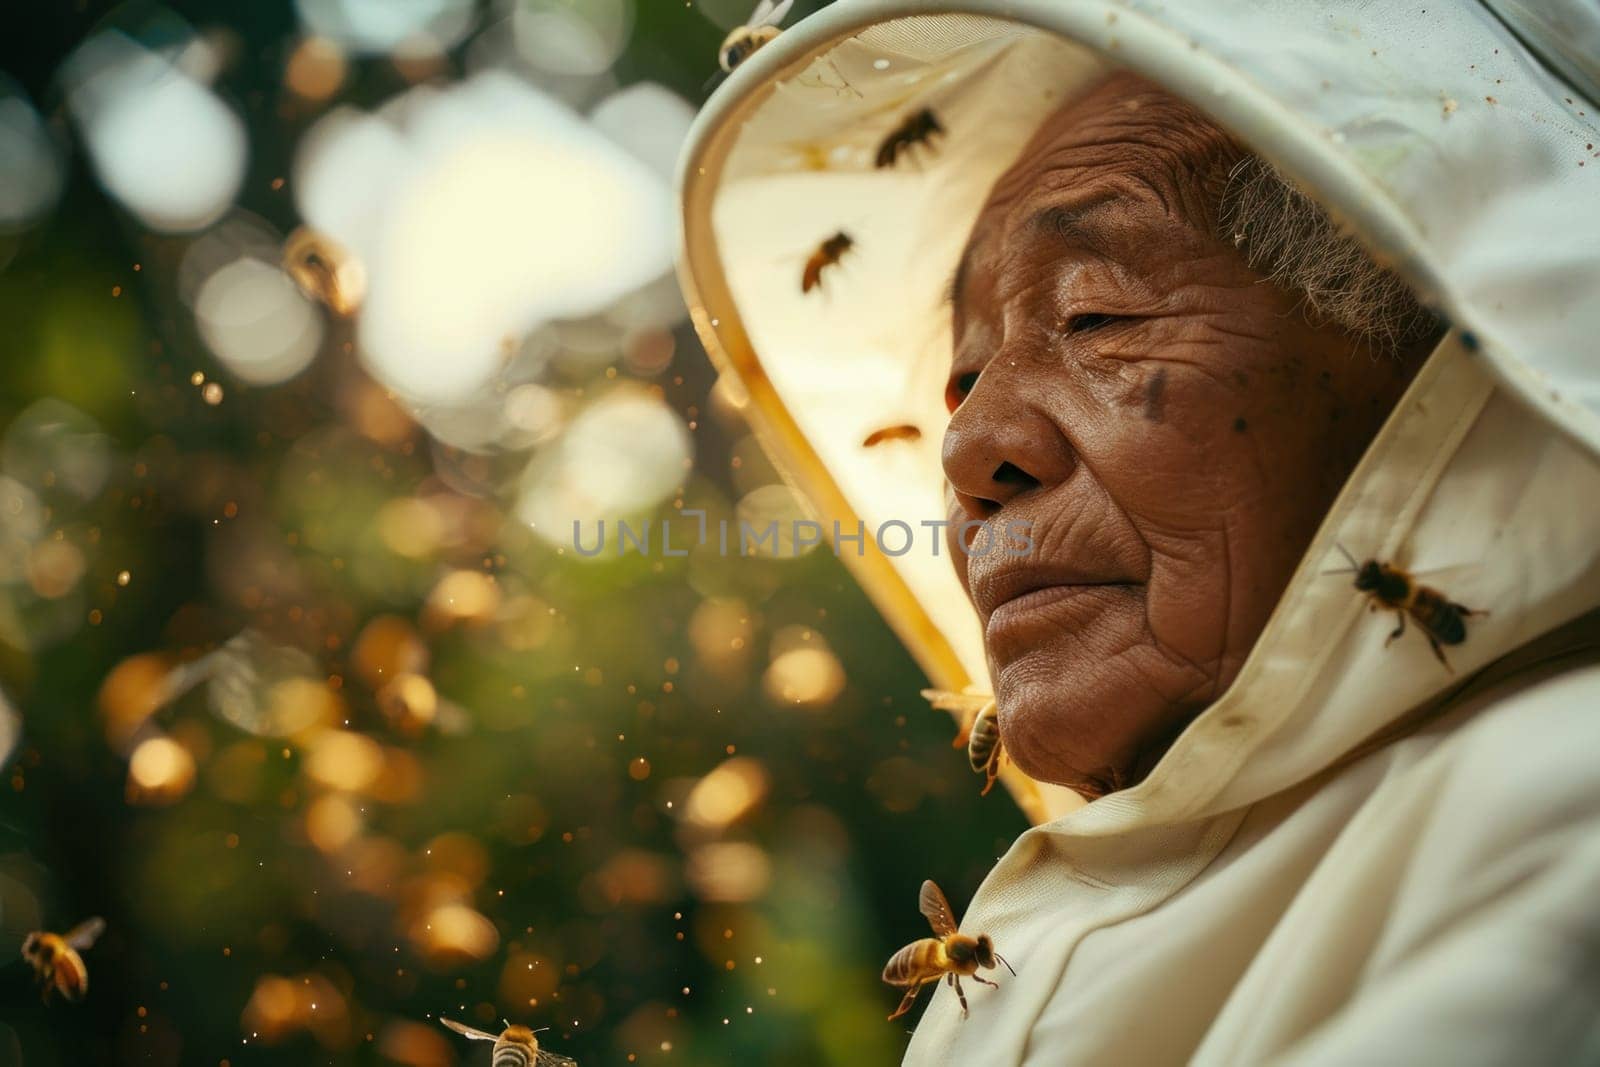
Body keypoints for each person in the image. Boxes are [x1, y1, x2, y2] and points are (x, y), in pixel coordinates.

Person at [678, 2, 1600, 1063]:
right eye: (962, 377)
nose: (966, 441)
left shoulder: (1554, 811)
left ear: (1458, 358)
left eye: (1096, 315)